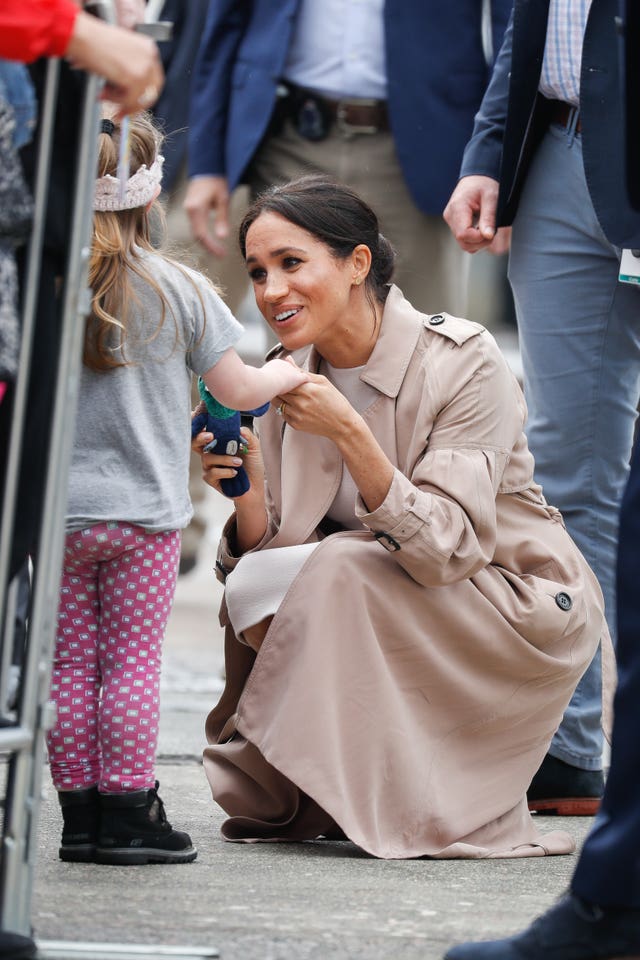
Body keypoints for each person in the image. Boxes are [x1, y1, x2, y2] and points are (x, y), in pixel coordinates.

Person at [192, 173, 610, 861]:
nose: (270, 292)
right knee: (280, 580)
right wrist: (246, 493)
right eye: (258, 272)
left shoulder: (465, 360)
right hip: (381, 591)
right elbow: (267, 570)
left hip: (514, 600)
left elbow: (448, 548)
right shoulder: (281, 372)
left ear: (358, 263)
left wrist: (352, 433)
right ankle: (343, 779)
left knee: (345, 564)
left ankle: (398, 788)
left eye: (292, 264)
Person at [44, 111, 306, 868]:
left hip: (57, 517)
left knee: (66, 666)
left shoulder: (44, 283)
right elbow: (241, 388)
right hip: (147, 519)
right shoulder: (182, 288)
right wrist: (289, 369)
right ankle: (129, 810)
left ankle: (80, 817)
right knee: (129, 662)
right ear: (150, 199)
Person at [443, 0, 640, 816]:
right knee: (567, 468)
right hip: (559, 157)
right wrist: (490, 153)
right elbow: (527, 36)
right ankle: (571, 744)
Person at [184, 0, 512, 319]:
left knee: (425, 340)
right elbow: (225, 21)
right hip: (287, 141)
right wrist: (208, 163)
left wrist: (498, 162)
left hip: (423, 147)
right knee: (296, 345)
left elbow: (511, 27)